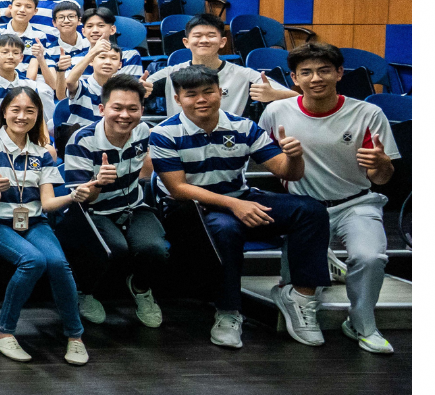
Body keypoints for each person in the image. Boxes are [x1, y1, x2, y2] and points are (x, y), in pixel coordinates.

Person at [149, 65, 325, 349]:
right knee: (227, 228)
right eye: (191, 94)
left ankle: (300, 296)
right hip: (191, 210)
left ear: (221, 92)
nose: (202, 99)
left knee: (310, 210)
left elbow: (287, 172)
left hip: (237, 196)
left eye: (209, 92)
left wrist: (294, 157)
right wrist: (235, 205)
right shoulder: (163, 133)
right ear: (178, 99)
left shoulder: (243, 127)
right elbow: (177, 189)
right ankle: (229, 311)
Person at [259, 43, 401, 354]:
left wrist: (380, 163)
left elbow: (383, 178)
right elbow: (263, 160)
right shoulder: (276, 112)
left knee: (370, 257)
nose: (315, 78)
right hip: (304, 211)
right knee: (295, 284)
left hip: (356, 202)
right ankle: (322, 261)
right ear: (295, 78)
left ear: (339, 73)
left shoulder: (368, 113)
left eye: (324, 70)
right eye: (306, 72)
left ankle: (362, 322)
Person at [0, 87, 90, 365]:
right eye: (16, 110)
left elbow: (46, 203)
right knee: (33, 261)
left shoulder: (43, 153)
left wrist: (73, 195)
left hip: (34, 221)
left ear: (38, 115)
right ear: (4, 112)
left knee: (58, 263)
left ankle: (75, 336)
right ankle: (3, 333)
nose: (22, 116)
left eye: (30, 111)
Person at [58, 73, 166, 329]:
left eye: (133, 109)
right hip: (92, 210)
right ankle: (84, 292)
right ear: (102, 108)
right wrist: (97, 182)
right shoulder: (82, 140)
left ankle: (140, 288)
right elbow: (81, 197)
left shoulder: (142, 131)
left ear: (142, 109)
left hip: (133, 206)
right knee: (114, 249)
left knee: (156, 250)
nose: (125, 115)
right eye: (117, 108)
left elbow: (145, 168)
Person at [148, 14, 295, 114]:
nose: (204, 40)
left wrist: (275, 94)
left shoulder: (244, 75)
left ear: (223, 42)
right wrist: (141, 91)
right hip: (180, 147)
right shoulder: (169, 74)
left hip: (229, 149)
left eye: (211, 36)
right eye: (197, 36)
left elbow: (297, 98)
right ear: (186, 42)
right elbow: (131, 94)